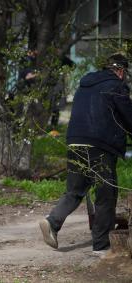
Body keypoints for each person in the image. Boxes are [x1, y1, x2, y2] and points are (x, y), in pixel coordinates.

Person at [39, 54, 132, 254]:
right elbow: (128, 116)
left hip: (75, 141)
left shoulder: (85, 84)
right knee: (106, 193)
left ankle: (52, 222)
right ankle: (101, 245)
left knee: (74, 190)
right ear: (121, 71)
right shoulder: (117, 85)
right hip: (99, 145)